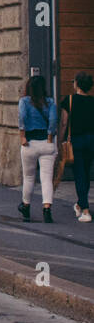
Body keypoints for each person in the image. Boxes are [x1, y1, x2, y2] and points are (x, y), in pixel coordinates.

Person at [18, 74, 59, 222]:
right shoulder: (50, 102)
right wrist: (49, 136)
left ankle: (26, 206)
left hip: (29, 142)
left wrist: (22, 136)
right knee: (46, 178)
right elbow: (54, 120)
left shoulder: (24, 101)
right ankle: (47, 208)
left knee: (28, 177)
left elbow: (22, 117)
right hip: (46, 143)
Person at [58, 71, 94, 223]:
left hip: (77, 141)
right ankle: (80, 204)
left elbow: (64, 123)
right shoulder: (93, 101)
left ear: (77, 84)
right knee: (85, 173)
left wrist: (59, 141)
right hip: (91, 140)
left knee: (79, 175)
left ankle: (85, 210)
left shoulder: (69, 100)